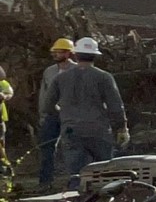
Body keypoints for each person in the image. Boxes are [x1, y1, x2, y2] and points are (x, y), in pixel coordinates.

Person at [44, 37, 129, 190]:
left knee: (76, 175)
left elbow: (47, 106)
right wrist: (121, 128)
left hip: (71, 130)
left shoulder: (60, 78)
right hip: (99, 130)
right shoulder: (103, 77)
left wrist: (64, 117)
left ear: (75, 55)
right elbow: (115, 106)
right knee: (104, 173)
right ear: (95, 56)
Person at [35, 38, 77, 192]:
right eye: (55, 51)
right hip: (51, 116)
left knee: (72, 149)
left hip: (71, 116)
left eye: (60, 51)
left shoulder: (78, 71)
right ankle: (45, 182)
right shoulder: (49, 71)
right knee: (47, 148)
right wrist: (43, 114)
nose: (56, 54)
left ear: (69, 53)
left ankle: (74, 182)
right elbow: (44, 95)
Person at [0, 66, 13, 180]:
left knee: (1, 147)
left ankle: (4, 171)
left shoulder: (2, 83)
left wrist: (4, 96)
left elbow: (10, 93)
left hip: (0, 120)